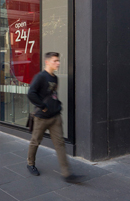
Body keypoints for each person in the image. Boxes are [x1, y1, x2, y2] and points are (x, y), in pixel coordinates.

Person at [26, 52, 80, 183]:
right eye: (55, 61)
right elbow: (31, 93)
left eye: (58, 61)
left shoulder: (55, 78)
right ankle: (30, 164)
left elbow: (53, 94)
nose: (58, 63)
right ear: (47, 62)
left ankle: (66, 173)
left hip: (55, 117)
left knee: (60, 143)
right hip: (41, 118)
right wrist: (43, 106)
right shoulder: (40, 77)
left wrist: (56, 106)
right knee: (35, 141)